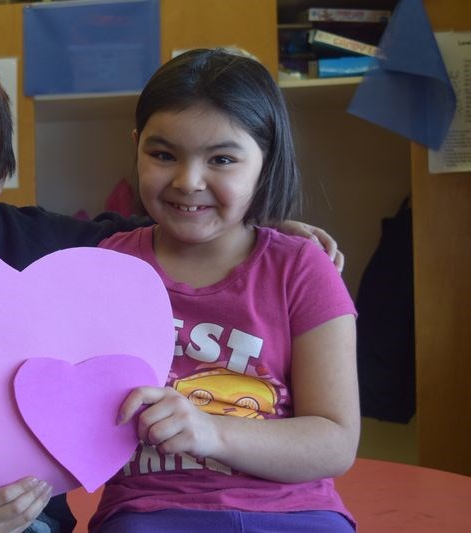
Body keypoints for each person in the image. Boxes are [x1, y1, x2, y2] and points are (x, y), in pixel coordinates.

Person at [0, 52, 345, 533]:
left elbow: (167, 230)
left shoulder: (54, 246)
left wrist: (264, 230)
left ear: (3, 174)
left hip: (33, 515)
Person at [90, 48, 359, 532]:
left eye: (222, 159)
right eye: (163, 154)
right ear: (136, 146)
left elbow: (336, 441)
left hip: (296, 513)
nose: (188, 181)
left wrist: (211, 430)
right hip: (151, 512)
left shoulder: (301, 268)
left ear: (265, 161)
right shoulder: (109, 265)